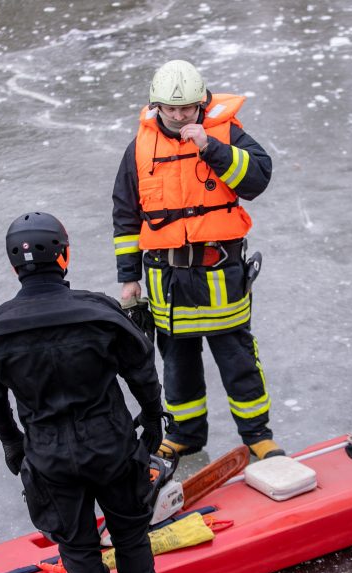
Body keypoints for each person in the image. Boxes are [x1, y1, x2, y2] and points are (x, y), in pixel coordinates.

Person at [0, 212, 173, 573]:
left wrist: (12, 440)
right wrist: (152, 418)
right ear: (64, 256)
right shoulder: (98, 312)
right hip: (111, 445)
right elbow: (142, 371)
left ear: (13, 266)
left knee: (77, 547)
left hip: (49, 454)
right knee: (130, 532)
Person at [112, 59, 282, 461]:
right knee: (177, 366)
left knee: (239, 361)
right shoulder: (138, 148)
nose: (177, 115)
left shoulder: (226, 133)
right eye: (170, 109)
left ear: (201, 103)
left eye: (186, 108)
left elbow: (258, 178)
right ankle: (186, 434)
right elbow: (125, 214)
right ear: (156, 106)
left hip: (221, 273)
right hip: (166, 278)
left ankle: (257, 434)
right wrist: (128, 277)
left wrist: (212, 148)